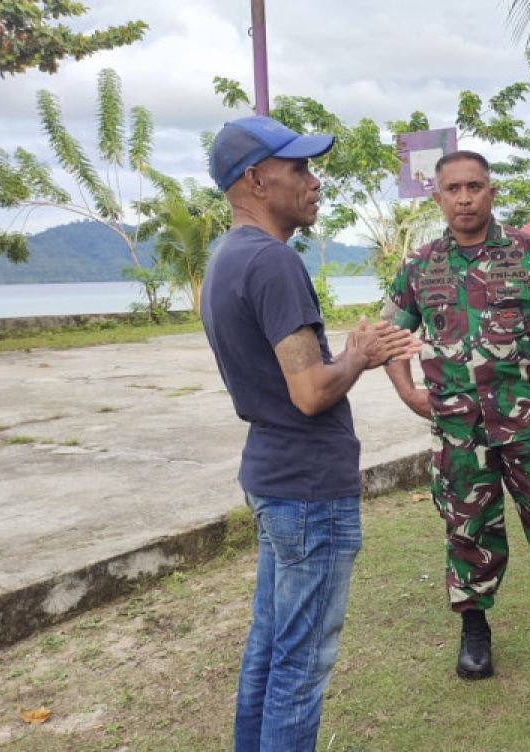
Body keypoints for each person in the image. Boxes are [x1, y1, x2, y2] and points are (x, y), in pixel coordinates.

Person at [201, 115, 419, 752]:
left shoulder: (228, 259)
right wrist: (361, 354)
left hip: (272, 477)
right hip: (307, 491)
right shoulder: (273, 263)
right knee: (300, 667)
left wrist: (347, 354)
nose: (314, 182)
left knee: (269, 650)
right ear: (257, 179)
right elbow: (310, 392)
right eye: (299, 169)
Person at [381, 150, 530, 679]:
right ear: (438, 196)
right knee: (467, 529)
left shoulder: (529, 254)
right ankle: (475, 633)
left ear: (491, 192)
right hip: (460, 433)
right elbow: (390, 336)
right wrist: (407, 392)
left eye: (474, 187)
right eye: (453, 189)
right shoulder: (420, 265)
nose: (464, 198)